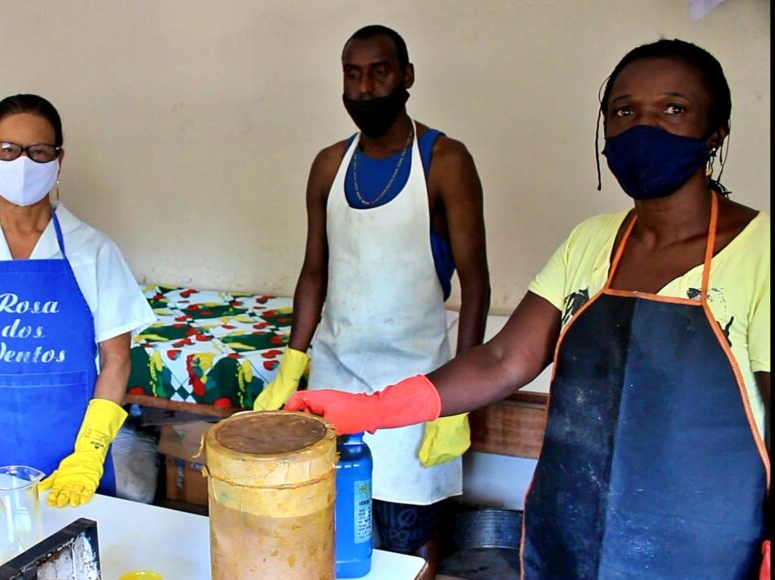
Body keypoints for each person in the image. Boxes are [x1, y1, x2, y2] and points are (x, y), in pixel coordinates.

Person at [288, 38, 770, 579]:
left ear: (715, 132)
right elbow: (504, 361)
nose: (644, 127)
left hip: (704, 549)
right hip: (575, 531)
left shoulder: (761, 253)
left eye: (674, 109)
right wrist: (373, 410)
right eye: (624, 111)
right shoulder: (592, 242)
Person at [253, 24, 490, 570]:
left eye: (379, 72)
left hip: (415, 387)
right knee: (329, 533)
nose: (364, 88)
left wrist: (462, 396)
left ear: (406, 77)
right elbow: (315, 273)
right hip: (335, 380)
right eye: (352, 74)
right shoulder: (329, 166)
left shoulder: (445, 161)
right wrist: (294, 363)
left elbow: (476, 285)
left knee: (400, 545)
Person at [0, 94, 155, 508]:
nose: (23, 164)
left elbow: (117, 359)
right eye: (8, 150)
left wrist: (88, 454)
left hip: (75, 462)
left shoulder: (94, 251)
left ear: (59, 159)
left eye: (38, 151)